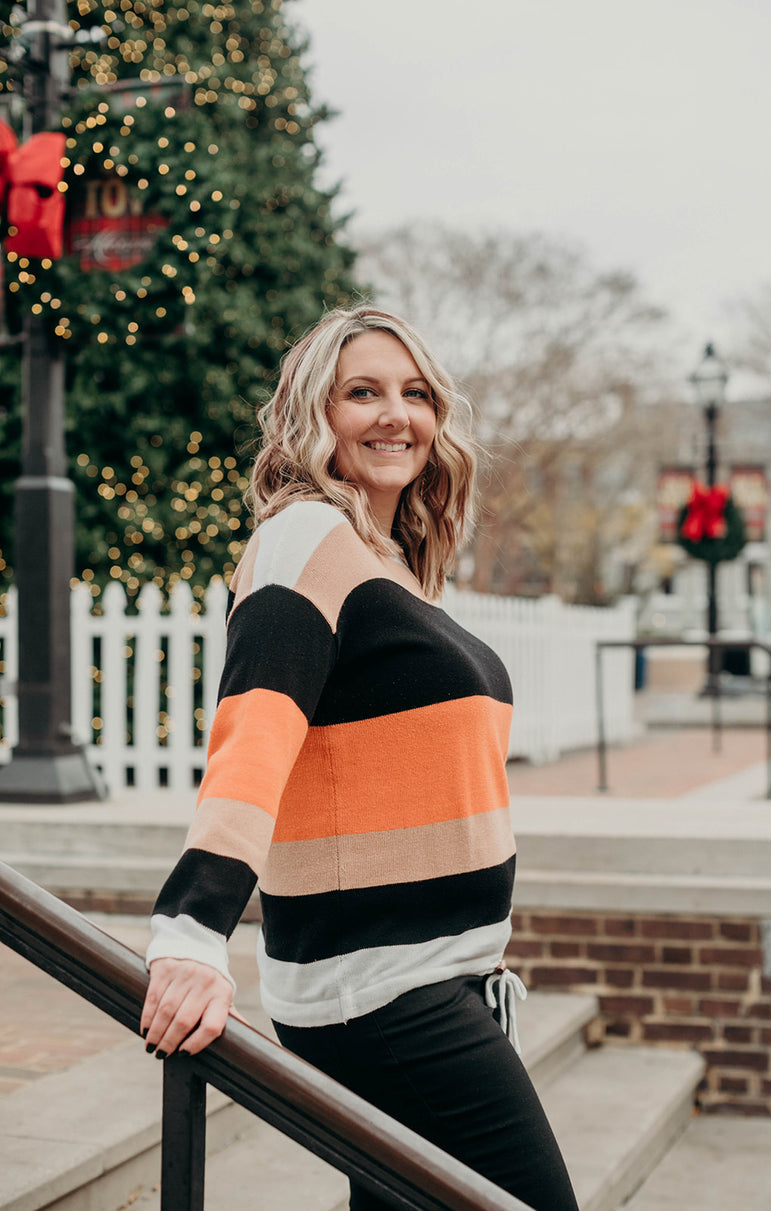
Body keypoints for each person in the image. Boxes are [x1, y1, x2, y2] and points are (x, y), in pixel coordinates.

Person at [141, 305, 578, 1211]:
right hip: (384, 994)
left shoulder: (388, 564)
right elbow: (254, 730)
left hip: (432, 981)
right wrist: (191, 932)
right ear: (315, 414)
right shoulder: (302, 541)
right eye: (363, 392)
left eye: (415, 393)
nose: (396, 414)